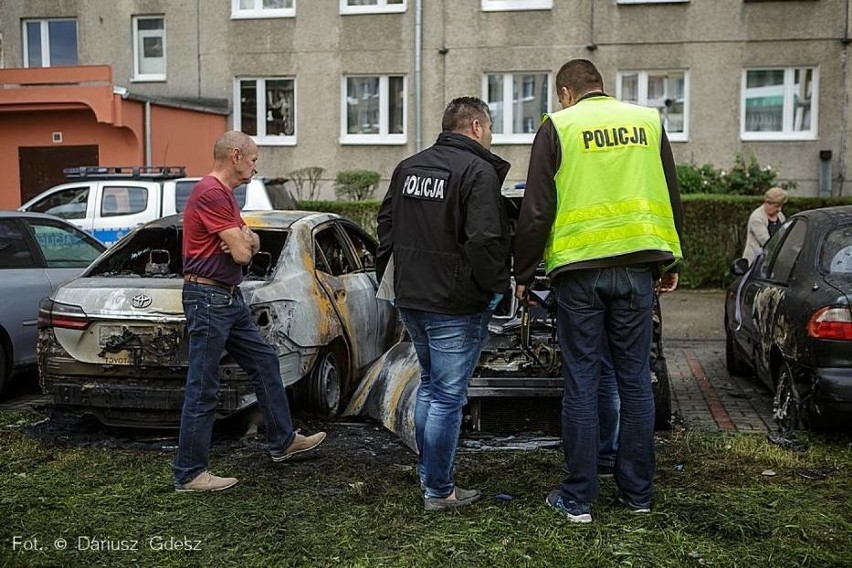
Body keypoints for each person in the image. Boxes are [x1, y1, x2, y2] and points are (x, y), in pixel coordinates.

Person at [513, 59, 684, 523]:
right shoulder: (647, 122)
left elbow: (536, 209)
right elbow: (670, 193)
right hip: (636, 271)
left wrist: (524, 273)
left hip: (579, 274)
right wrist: (671, 260)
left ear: (566, 93)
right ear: (601, 87)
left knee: (583, 383)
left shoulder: (559, 126)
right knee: (635, 381)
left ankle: (578, 499)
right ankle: (638, 495)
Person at [376, 97, 511, 511]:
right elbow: (486, 240)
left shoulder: (408, 167)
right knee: (447, 396)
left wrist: (397, 275)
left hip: (412, 297)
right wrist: (495, 289)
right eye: (488, 129)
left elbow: (385, 224)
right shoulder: (477, 171)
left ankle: (431, 476)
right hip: (454, 303)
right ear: (474, 126)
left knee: (432, 388)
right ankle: (438, 490)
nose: (490, 137)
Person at [173, 130, 326, 492]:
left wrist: (246, 240)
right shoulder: (211, 192)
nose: (256, 167)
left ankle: (283, 441)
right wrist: (244, 242)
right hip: (208, 299)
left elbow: (247, 240)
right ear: (236, 155)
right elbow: (243, 252)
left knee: (263, 362)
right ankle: (190, 473)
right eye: (254, 159)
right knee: (202, 387)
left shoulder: (223, 195)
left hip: (228, 297)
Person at [742, 187, 788, 264]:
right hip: (757, 263)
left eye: (781, 206)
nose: (779, 209)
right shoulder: (756, 218)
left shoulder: (780, 215)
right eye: (777, 206)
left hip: (773, 260)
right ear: (767, 202)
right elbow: (767, 243)